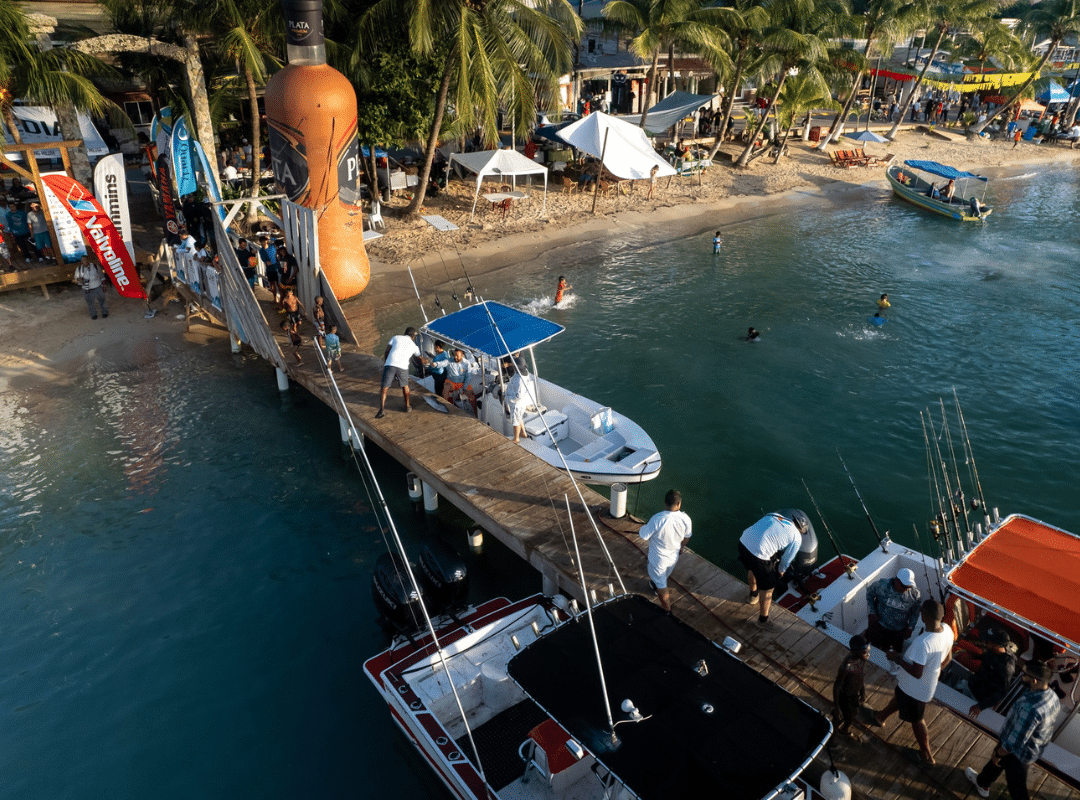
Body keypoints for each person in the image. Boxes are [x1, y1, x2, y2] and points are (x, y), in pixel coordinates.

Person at [869, 600, 954, 764]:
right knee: (900, 697)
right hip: (915, 686)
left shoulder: (923, 643)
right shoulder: (948, 631)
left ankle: (927, 755)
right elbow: (948, 658)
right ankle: (880, 717)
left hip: (916, 690)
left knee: (917, 719)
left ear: (923, 616)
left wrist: (897, 658)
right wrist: (934, 672)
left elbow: (916, 672)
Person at [965, 661, 1060, 800]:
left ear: (1034, 681)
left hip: (1020, 753)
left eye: (1024, 675)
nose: (1021, 676)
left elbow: (1014, 744)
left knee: (1016, 786)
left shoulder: (1031, 708)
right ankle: (982, 783)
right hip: (1033, 745)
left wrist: (998, 753)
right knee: (997, 762)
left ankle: (984, 782)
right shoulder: (1052, 695)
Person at [738, 509, 812, 627]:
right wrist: (781, 571)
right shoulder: (797, 537)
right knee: (769, 588)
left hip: (743, 542)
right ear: (801, 530)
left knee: (752, 568)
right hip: (759, 555)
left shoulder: (774, 515)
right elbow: (787, 559)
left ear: (792, 520)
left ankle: (753, 597)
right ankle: (763, 621)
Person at [638, 489, 692, 612]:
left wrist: (643, 528)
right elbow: (687, 537)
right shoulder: (686, 519)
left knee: (662, 584)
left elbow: (643, 535)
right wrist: (681, 547)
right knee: (663, 577)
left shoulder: (657, 519)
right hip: (674, 557)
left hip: (658, 561)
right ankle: (655, 585)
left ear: (665, 503)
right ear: (679, 504)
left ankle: (667, 611)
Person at [966, 626, 1018, 719]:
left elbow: (1002, 692)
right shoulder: (992, 651)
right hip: (974, 684)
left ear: (998, 645)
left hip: (979, 700)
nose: (984, 642)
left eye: (987, 641)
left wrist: (980, 706)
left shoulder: (1006, 667)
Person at [865, 568, 921, 652]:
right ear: (897, 581)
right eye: (904, 586)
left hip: (899, 630)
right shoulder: (881, 585)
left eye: (909, 586)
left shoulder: (915, 594)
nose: (906, 589)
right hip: (880, 625)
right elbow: (869, 594)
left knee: (894, 654)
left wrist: (910, 628)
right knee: (874, 649)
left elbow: (915, 612)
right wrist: (872, 612)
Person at [377, 326, 425, 418]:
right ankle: (407, 406)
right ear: (412, 336)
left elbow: (387, 350)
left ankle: (382, 409)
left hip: (390, 363)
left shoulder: (396, 337)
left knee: (385, 387)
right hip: (403, 366)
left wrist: (386, 362)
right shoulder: (414, 346)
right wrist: (426, 361)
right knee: (405, 386)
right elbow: (419, 357)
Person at [833, 634, 870, 740]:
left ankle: (844, 730)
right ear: (854, 650)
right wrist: (836, 707)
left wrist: (862, 692)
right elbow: (836, 687)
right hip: (844, 696)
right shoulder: (846, 667)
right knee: (838, 718)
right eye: (863, 648)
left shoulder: (862, 658)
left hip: (854, 694)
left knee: (852, 714)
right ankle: (832, 740)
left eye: (866, 646)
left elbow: (860, 675)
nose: (866, 650)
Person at [442, 348, 478, 415]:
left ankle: (476, 413)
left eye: (457, 356)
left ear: (462, 355)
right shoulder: (449, 361)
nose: (455, 357)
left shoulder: (467, 363)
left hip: (462, 382)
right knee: (445, 390)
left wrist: (464, 387)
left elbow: (468, 376)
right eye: (454, 355)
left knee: (472, 396)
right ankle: (445, 408)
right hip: (452, 381)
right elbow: (442, 364)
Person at [74, 255, 108, 319]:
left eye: (85, 260)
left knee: (102, 300)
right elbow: (76, 278)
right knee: (90, 302)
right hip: (86, 289)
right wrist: (79, 280)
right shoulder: (78, 269)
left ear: (88, 260)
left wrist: (104, 286)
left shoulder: (95, 266)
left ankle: (105, 312)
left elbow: (102, 277)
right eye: (82, 260)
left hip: (97, 286)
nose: (84, 261)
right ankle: (93, 314)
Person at [503, 358, 528, 443]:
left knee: (515, 421)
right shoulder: (525, 373)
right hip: (522, 403)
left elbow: (518, 396)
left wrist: (507, 398)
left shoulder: (519, 379)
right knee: (519, 418)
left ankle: (516, 438)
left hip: (517, 404)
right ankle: (523, 433)